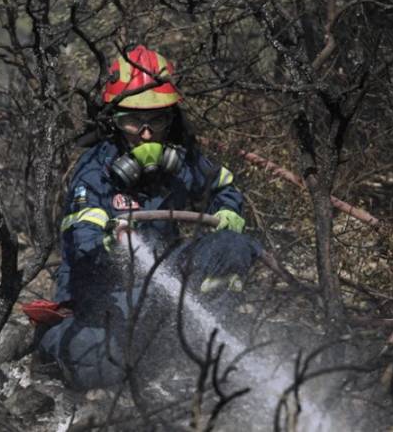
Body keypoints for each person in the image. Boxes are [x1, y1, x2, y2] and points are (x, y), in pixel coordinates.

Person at [36, 45, 260, 391]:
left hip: (161, 284)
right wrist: (105, 240)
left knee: (233, 247)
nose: (145, 133)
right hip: (104, 296)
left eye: (157, 119)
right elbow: (83, 242)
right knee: (102, 368)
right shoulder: (95, 173)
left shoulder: (181, 161)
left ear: (171, 118)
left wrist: (228, 211)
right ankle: (55, 337)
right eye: (132, 120)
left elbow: (222, 185)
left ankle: (197, 349)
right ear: (112, 120)